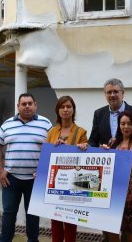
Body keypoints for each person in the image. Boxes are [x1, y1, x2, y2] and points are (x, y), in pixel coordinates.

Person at [0, 93, 52, 242]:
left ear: (35, 105)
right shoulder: (7, 124)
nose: (27, 106)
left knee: (33, 215)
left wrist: (44, 172)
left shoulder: (46, 124)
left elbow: (53, 149)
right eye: (23, 104)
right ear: (18, 106)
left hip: (34, 180)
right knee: (9, 213)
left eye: (30, 103)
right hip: (11, 179)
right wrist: (0, 171)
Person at [102, 110, 132, 242]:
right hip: (113, 196)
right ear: (119, 125)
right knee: (111, 231)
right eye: (123, 123)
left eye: (129, 123)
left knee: (131, 233)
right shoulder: (113, 144)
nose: (126, 127)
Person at [46, 96, 88, 242]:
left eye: (69, 106)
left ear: (73, 109)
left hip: (72, 184)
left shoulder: (81, 132)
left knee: (70, 222)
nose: (65, 109)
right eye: (62, 107)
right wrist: (53, 148)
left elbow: (84, 161)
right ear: (58, 110)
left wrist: (83, 147)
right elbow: (47, 156)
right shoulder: (51, 132)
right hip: (55, 183)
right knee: (55, 221)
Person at [88, 78, 132, 148]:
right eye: (109, 92)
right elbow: (93, 140)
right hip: (107, 157)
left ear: (122, 93)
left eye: (115, 92)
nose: (112, 95)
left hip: (129, 157)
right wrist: (86, 146)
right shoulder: (99, 114)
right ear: (105, 94)